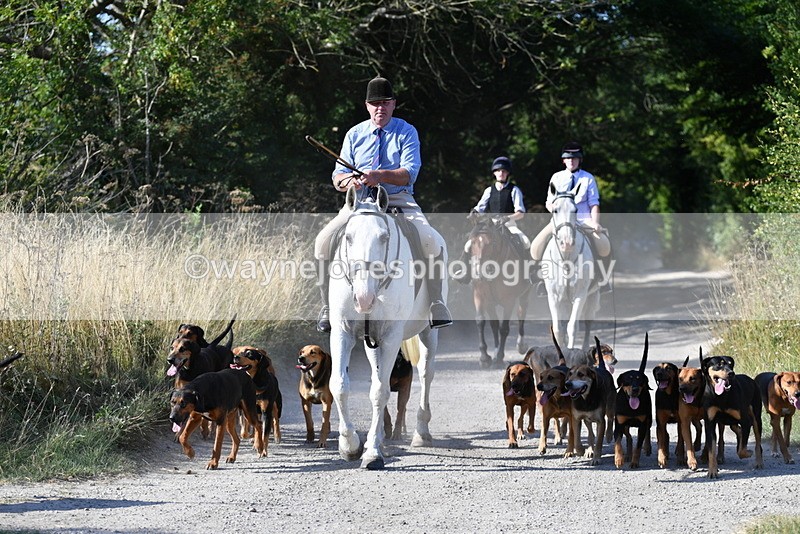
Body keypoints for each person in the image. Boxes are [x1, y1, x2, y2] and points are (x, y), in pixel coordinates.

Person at [313, 76, 453, 332]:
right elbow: (337, 176)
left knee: (430, 240)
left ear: (393, 104)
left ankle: (436, 302)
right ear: (367, 105)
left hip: (398, 200)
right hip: (359, 204)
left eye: (385, 103)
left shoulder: (406, 131)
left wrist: (379, 175)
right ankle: (327, 306)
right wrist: (350, 182)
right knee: (323, 240)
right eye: (375, 103)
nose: (380, 108)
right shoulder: (354, 134)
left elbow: (410, 173)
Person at [529, 141, 612, 290]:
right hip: (560, 221)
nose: (571, 161)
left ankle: (602, 278)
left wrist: (595, 223)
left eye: (574, 158)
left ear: (579, 160)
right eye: (568, 158)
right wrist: (553, 208)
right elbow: (548, 201)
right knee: (536, 245)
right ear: (563, 160)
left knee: (604, 245)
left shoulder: (588, 178)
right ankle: (542, 278)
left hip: (583, 220)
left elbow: (594, 204)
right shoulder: (556, 178)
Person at [455, 156, 530, 282]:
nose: (501, 173)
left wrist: (508, 218)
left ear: (508, 173)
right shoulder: (489, 190)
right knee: (469, 244)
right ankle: (465, 272)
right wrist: (474, 212)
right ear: (494, 173)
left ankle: (528, 273)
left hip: (509, 224)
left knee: (525, 241)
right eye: (498, 171)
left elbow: (520, 213)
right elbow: (480, 207)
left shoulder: (514, 190)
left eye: (504, 171)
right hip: (491, 225)